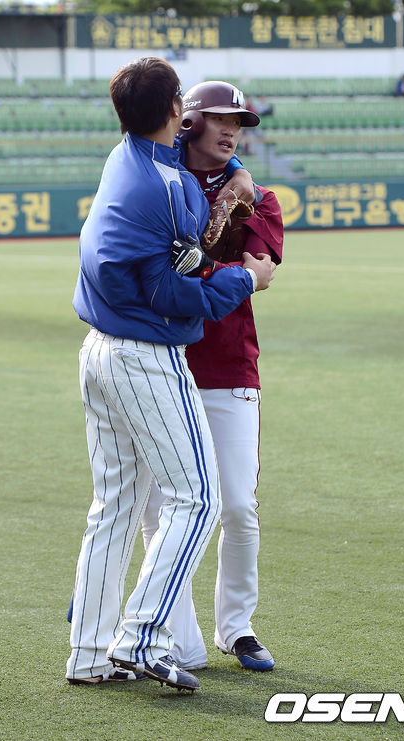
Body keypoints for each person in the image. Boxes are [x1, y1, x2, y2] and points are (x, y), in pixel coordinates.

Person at [65, 58, 275, 693]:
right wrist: (243, 280)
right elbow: (171, 294)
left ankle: (89, 652)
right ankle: (142, 637)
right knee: (199, 499)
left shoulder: (122, 157)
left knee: (115, 506)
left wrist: (236, 177)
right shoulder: (166, 188)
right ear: (176, 112)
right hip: (145, 355)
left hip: (97, 349)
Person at [141, 81, 284, 673]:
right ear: (191, 121)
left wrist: (202, 260)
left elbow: (259, 270)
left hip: (229, 366)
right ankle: (178, 633)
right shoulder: (157, 181)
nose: (232, 131)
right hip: (159, 363)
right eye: (221, 119)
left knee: (238, 506)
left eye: (240, 123)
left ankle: (237, 627)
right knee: (158, 509)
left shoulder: (261, 198)